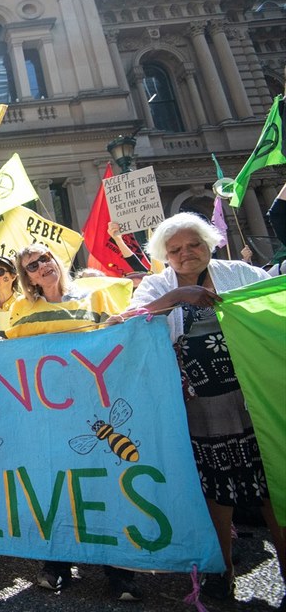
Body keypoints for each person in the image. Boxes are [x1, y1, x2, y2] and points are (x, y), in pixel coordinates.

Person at [127, 211, 284, 600]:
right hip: (200, 410)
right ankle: (221, 570)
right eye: (175, 249)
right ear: (164, 255)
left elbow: (274, 305)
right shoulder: (156, 285)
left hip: (255, 402)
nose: (186, 254)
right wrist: (179, 296)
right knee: (216, 494)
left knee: (273, 487)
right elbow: (128, 323)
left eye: (193, 244)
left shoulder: (241, 274)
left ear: (209, 243)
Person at [8, 244, 139, 600]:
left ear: (56, 260)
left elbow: (111, 346)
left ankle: (119, 567)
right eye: (31, 266)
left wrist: (113, 329)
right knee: (55, 486)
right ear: (28, 277)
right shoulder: (21, 309)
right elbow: (12, 360)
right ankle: (57, 563)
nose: (40, 268)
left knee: (101, 483)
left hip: (92, 413)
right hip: (45, 416)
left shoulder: (94, 297)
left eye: (44, 260)